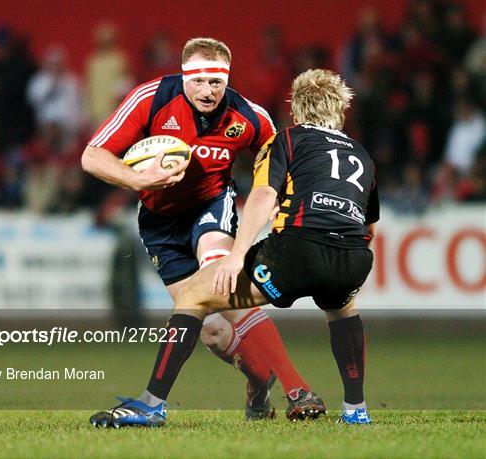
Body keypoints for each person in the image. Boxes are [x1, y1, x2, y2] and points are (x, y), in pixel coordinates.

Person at [89, 69, 379, 428]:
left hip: (297, 253)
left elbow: (262, 195)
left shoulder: (286, 140)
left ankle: (151, 405)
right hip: (353, 259)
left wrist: (239, 253)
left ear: (297, 110)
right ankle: (356, 410)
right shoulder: (361, 155)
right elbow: (368, 224)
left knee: (195, 294)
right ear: (341, 109)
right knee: (343, 309)